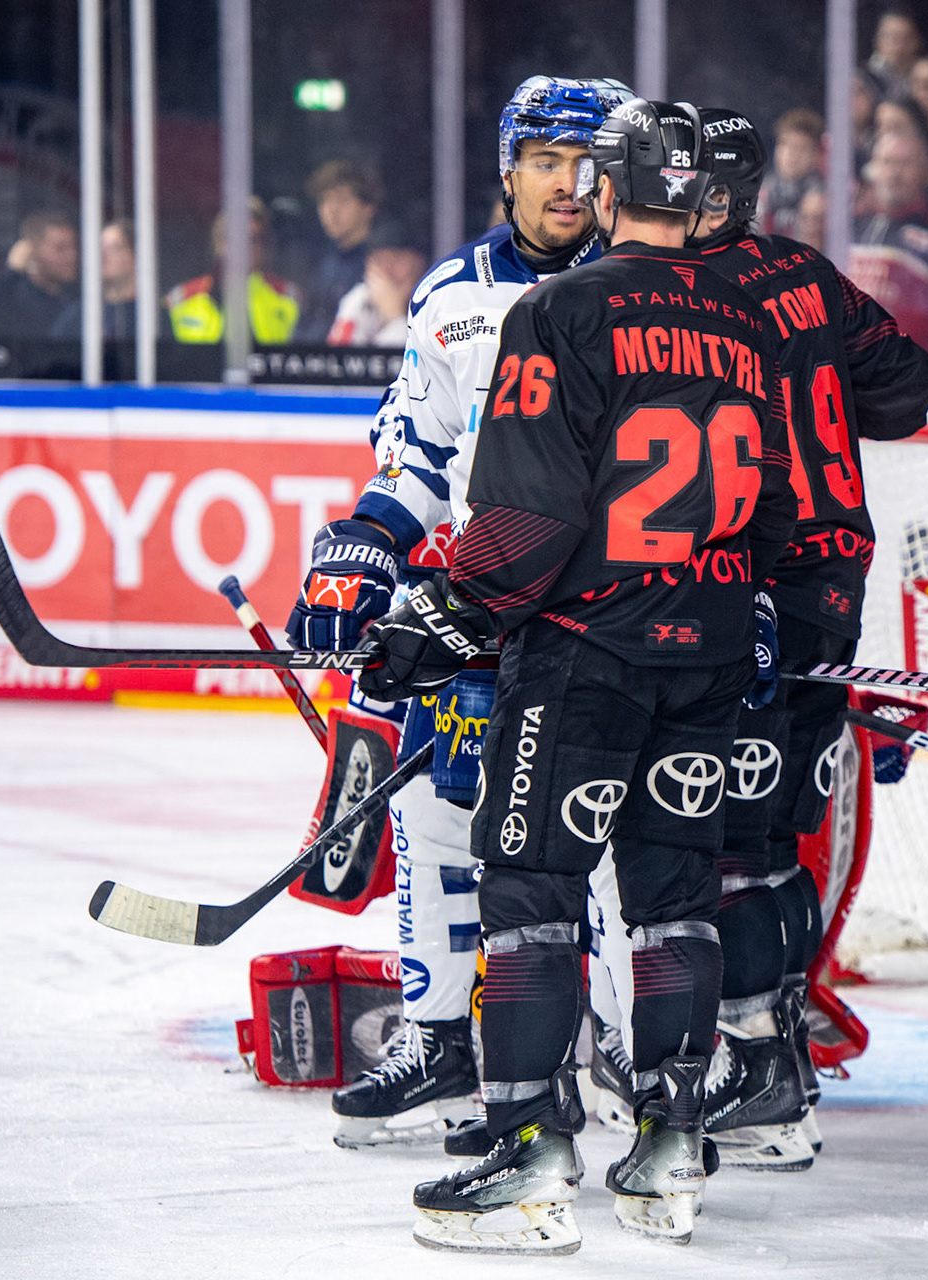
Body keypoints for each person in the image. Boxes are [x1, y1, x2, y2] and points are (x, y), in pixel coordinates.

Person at [379, 98, 795, 1255]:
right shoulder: (746, 323)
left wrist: (445, 615)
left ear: (609, 194)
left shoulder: (560, 308)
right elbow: (768, 504)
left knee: (531, 893)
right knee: (671, 898)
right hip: (704, 652)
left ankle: (525, 1160)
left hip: (585, 658)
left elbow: (524, 519)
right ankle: (670, 1152)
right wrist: (749, 610)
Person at [286, 75, 629, 1154]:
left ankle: (622, 1044)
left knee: (609, 837)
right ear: (508, 168)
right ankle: (442, 1036)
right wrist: (366, 539)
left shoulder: (654, 287)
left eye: (589, 164)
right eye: (545, 161)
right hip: (480, 593)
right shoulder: (452, 294)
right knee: (433, 817)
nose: (568, 185)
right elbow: (421, 453)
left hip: (609, 607)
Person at [676, 106, 928, 1170]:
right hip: (836, 580)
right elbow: (907, 393)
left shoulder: (685, 292)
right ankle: (777, 1053)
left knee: (732, 843)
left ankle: (756, 1069)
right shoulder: (803, 273)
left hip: (760, 585)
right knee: (776, 838)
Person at [850, 128, 928, 355]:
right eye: (887, 163)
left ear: (925, 171)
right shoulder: (853, 227)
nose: (894, 173)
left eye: (904, 164)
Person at [163, 198, 300, 345]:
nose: (243, 247)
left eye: (252, 239)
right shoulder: (180, 298)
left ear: (264, 245)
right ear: (220, 241)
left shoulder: (288, 298)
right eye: (236, 238)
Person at [0, 209, 77, 337]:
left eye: (74, 247)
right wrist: (11, 273)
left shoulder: (76, 299)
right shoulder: (10, 299)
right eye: (60, 248)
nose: (72, 256)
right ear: (31, 252)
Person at [301, 160, 382, 341]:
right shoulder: (320, 263)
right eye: (324, 200)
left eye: (342, 200)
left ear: (368, 208)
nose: (331, 210)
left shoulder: (380, 266)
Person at [50, 220, 138, 340]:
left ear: (135, 256)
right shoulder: (77, 316)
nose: (103, 254)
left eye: (114, 247)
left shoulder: (150, 316)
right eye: (100, 247)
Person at [325, 243, 426, 347]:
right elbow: (338, 358)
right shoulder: (358, 300)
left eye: (398, 258)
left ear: (418, 263)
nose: (387, 272)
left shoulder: (436, 300)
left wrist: (396, 318)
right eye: (379, 261)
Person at [756, 109, 825, 241]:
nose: (791, 155)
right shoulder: (762, 191)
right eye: (785, 144)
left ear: (815, 155)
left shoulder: (821, 197)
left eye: (801, 148)